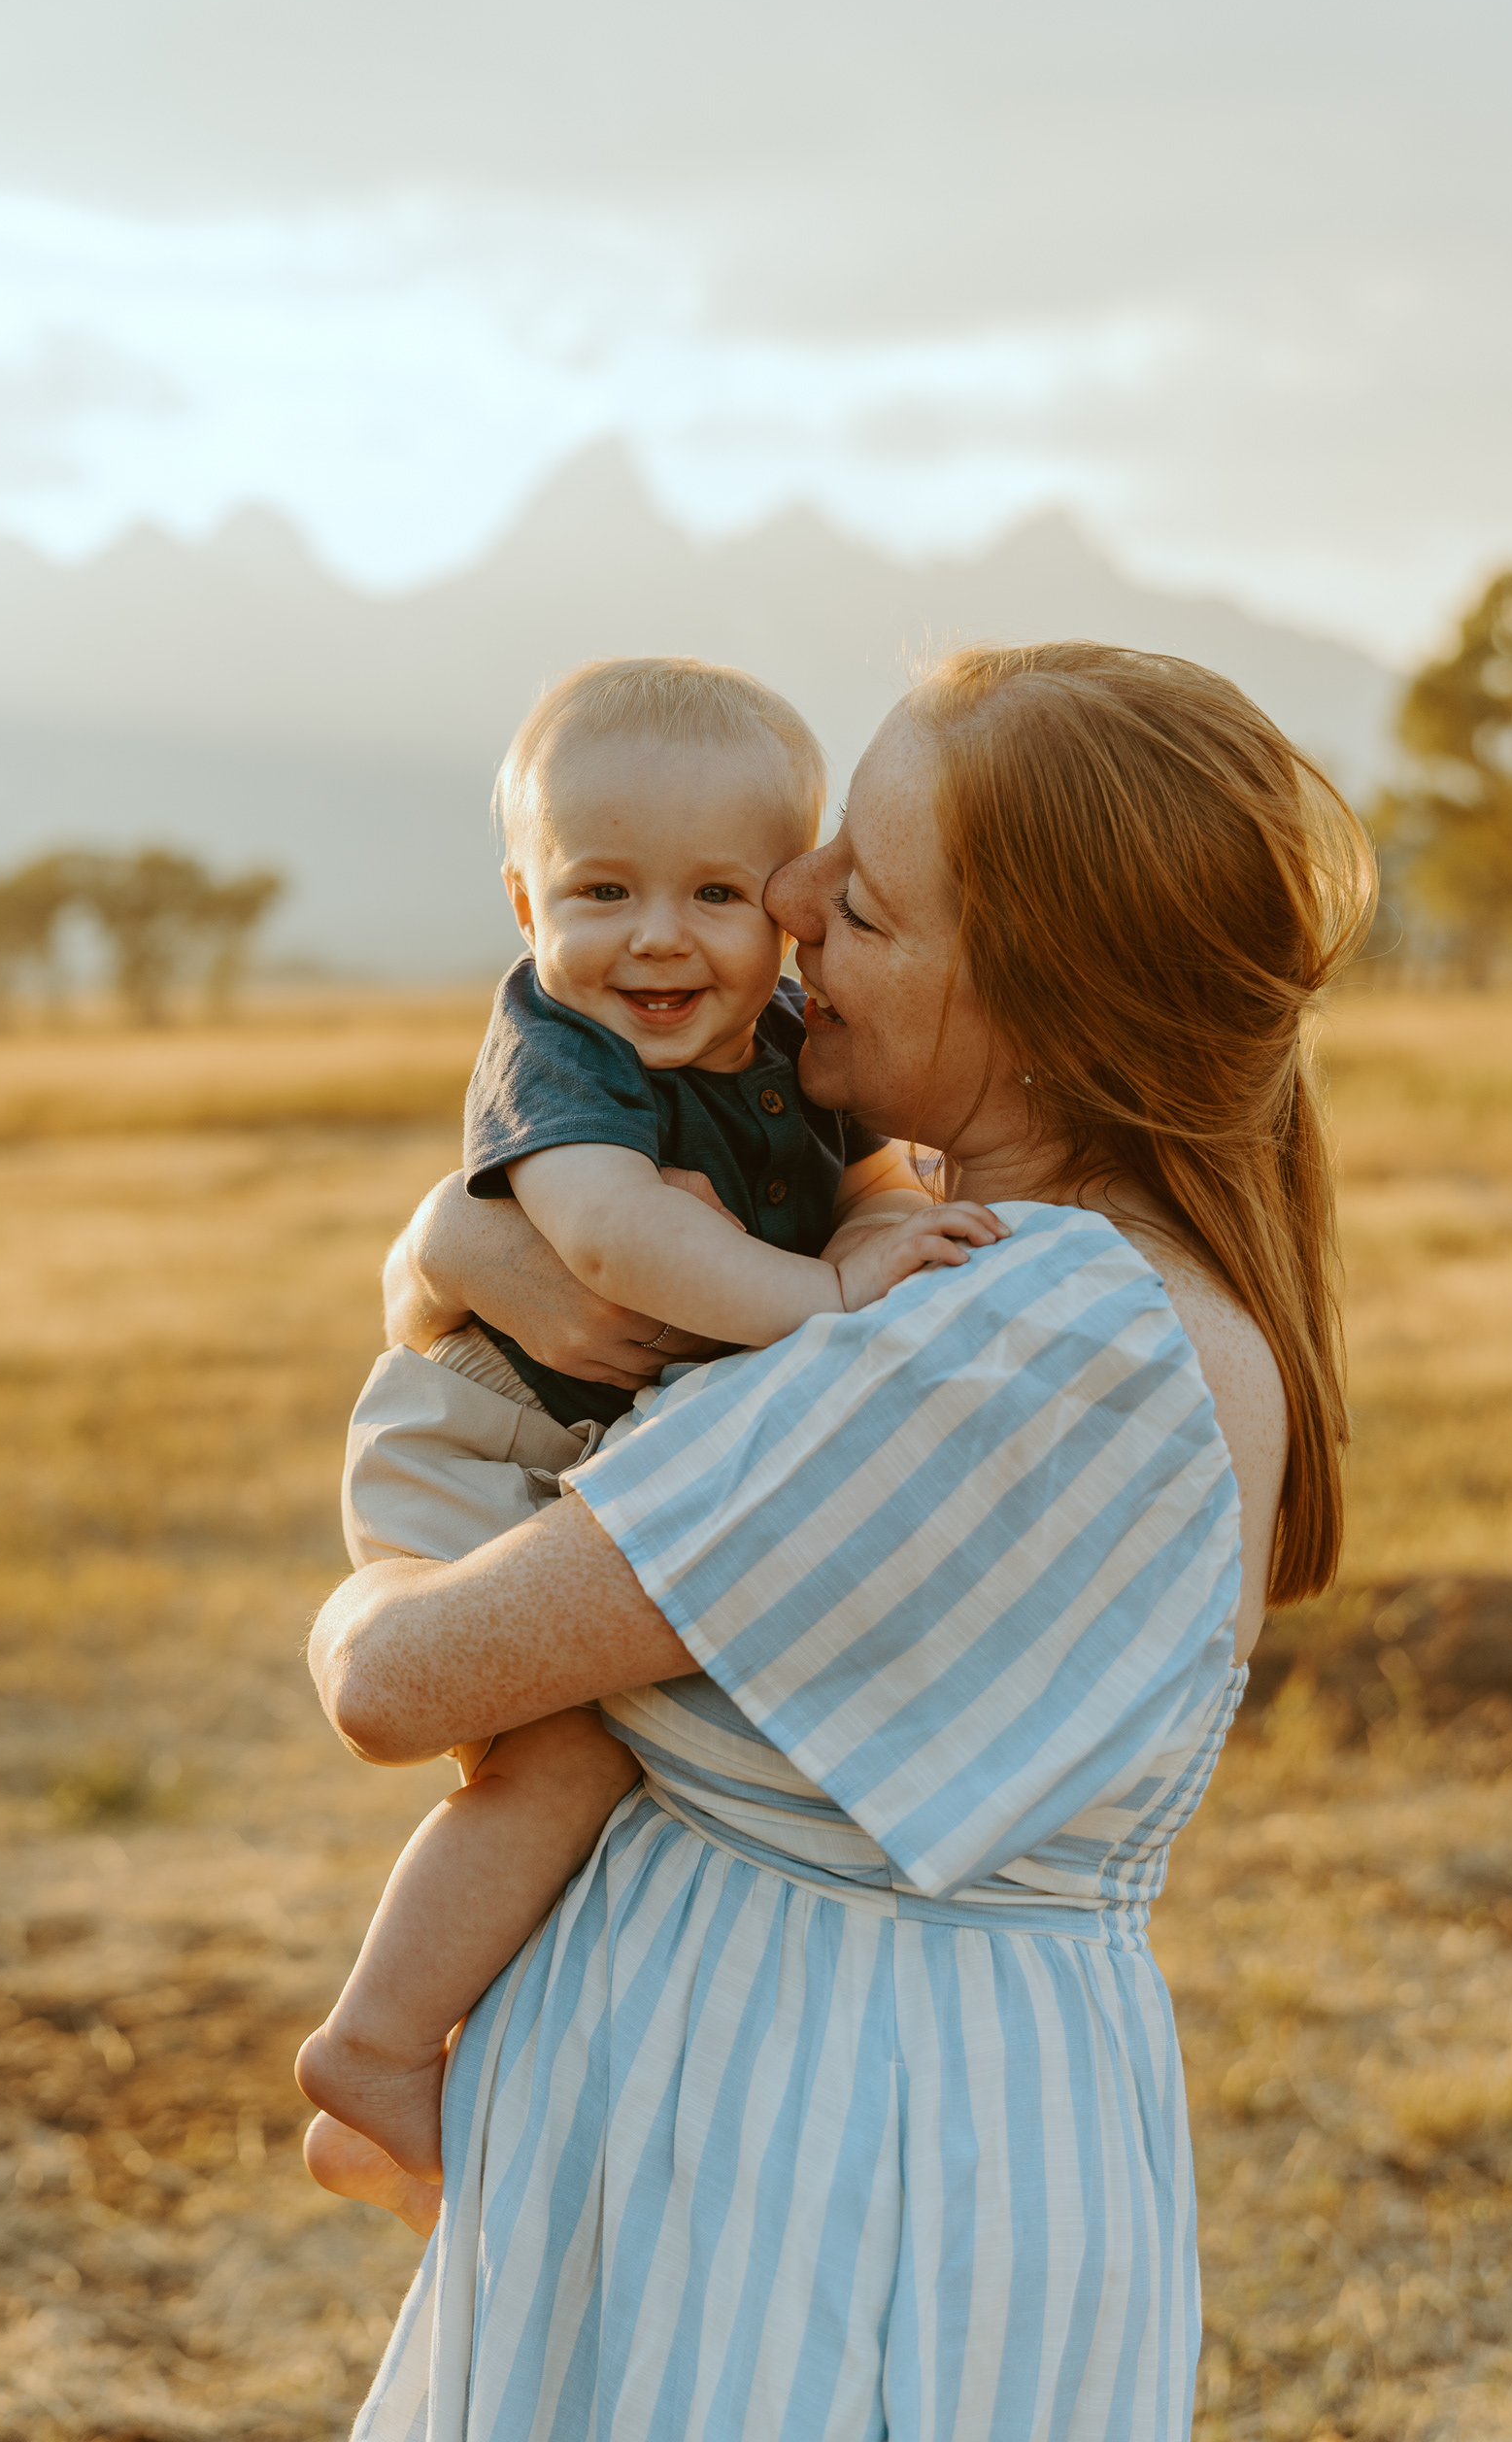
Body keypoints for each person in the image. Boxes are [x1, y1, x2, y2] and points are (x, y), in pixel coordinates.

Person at [308, 641, 1374, 2442]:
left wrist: (364, 1592)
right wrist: (443, 1248)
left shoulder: (1003, 1339)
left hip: (802, 2157)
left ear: (1034, 1001)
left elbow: (405, 1684)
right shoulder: (988, 1270)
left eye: (861, 901)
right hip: (808, 2120)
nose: (788, 901)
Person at [297, 657, 994, 2226]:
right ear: (523, 900)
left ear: (787, 914)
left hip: (573, 1439)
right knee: (565, 1753)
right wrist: (823, 1295)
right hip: (483, 1433)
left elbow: (873, 1167)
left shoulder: (783, 1040)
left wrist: (884, 1221)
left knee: (614, 1764)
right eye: (600, 888)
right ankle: (377, 2046)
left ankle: (470, 2044)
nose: (658, 936)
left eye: (716, 893)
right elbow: (609, 1240)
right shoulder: (564, 1048)